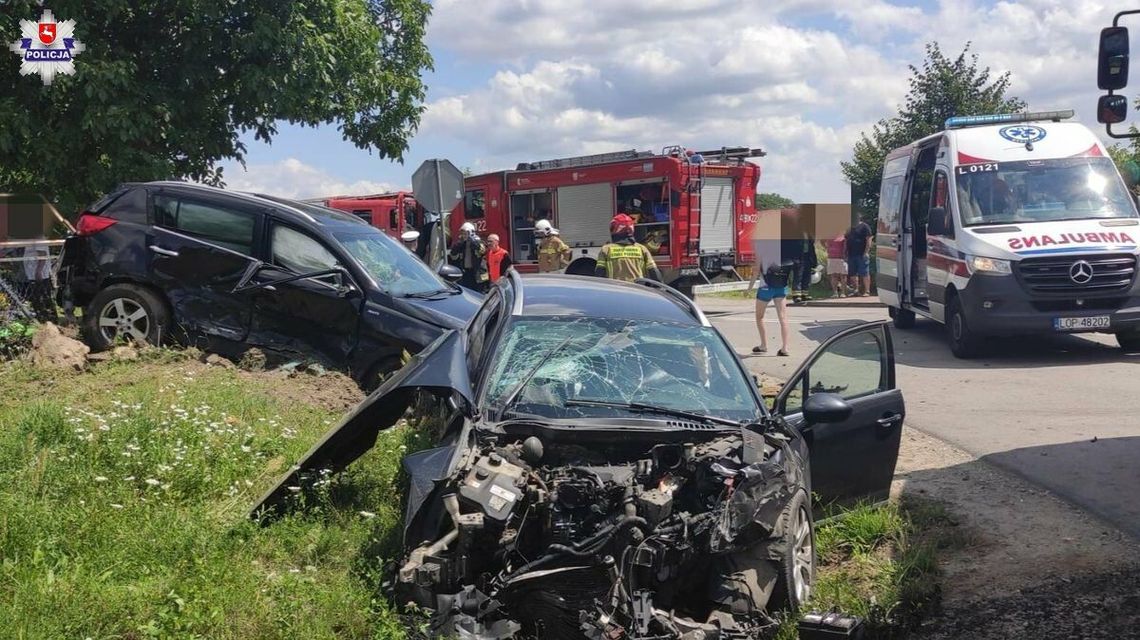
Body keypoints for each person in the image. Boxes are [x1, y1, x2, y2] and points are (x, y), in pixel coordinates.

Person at [746, 248, 791, 357]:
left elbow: (756, 271)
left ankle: (763, 345)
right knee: (783, 318)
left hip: (765, 288)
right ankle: (785, 348)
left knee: (759, 317)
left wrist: (749, 288)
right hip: (781, 287)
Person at [595, 213, 662, 282]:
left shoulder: (606, 249)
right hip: (638, 290)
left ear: (616, 229)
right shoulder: (642, 249)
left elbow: (599, 274)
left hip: (616, 290)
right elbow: (654, 273)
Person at [448, 221, 487, 289]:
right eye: (462, 233)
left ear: (470, 232)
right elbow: (453, 253)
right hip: (466, 272)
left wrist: (472, 240)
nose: (463, 235)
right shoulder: (462, 243)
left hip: (478, 272)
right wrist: (459, 243)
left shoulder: (479, 241)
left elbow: (482, 251)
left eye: (465, 233)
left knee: (480, 292)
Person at [845, 215, 874, 296]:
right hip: (851, 254)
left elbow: (869, 240)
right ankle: (856, 291)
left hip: (862, 254)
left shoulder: (865, 227)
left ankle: (867, 291)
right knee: (852, 274)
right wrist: (845, 253)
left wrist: (866, 252)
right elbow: (846, 240)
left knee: (864, 273)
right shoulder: (849, 228)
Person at [823, 232, 848, 297]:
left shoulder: (844, 236)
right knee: (834, 275)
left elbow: (847, 246)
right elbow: (822, 240)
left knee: (843, 276)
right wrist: (827, 248)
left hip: (842, 258)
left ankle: (843, 293)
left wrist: (845, 255)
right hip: (831, 257)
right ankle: (835, 293)